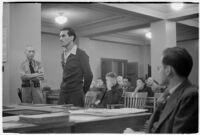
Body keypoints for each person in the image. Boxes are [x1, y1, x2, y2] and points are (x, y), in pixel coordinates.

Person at [124, 47, 198, 133]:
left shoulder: (190, 96)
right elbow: (155, 127)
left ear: (168, 70)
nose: (158, 72)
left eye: (159, 68)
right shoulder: (169, 93)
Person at [58, 27, 93, 107]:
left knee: (76, 118)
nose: (60, 38)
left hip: (75, 95)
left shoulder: (81, 54)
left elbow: (89, 75)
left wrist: (82, 91)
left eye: (63, 36)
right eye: (60, 36)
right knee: (58, 117)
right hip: (63, 94)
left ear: (71, 37)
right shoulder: (62, 54)